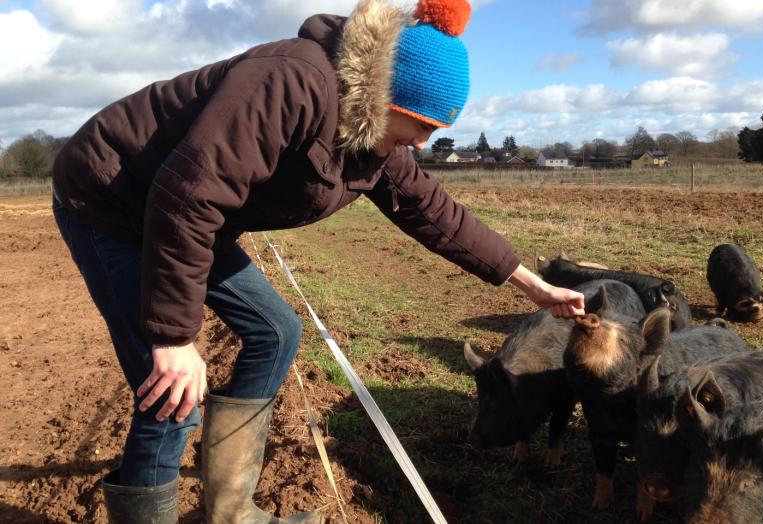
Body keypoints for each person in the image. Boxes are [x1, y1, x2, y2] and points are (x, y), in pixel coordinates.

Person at [51, 0, 585, 522]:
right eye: (423, 126)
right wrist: (172, 338)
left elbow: (436, 212)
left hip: (187, 215)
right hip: (114, 202)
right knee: (172, 394)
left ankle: (232, 509)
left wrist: (533, 287)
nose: (423, 144)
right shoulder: (290, 82)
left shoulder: (375, 142)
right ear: (389, 98)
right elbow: (190, 194)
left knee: (275, 330)